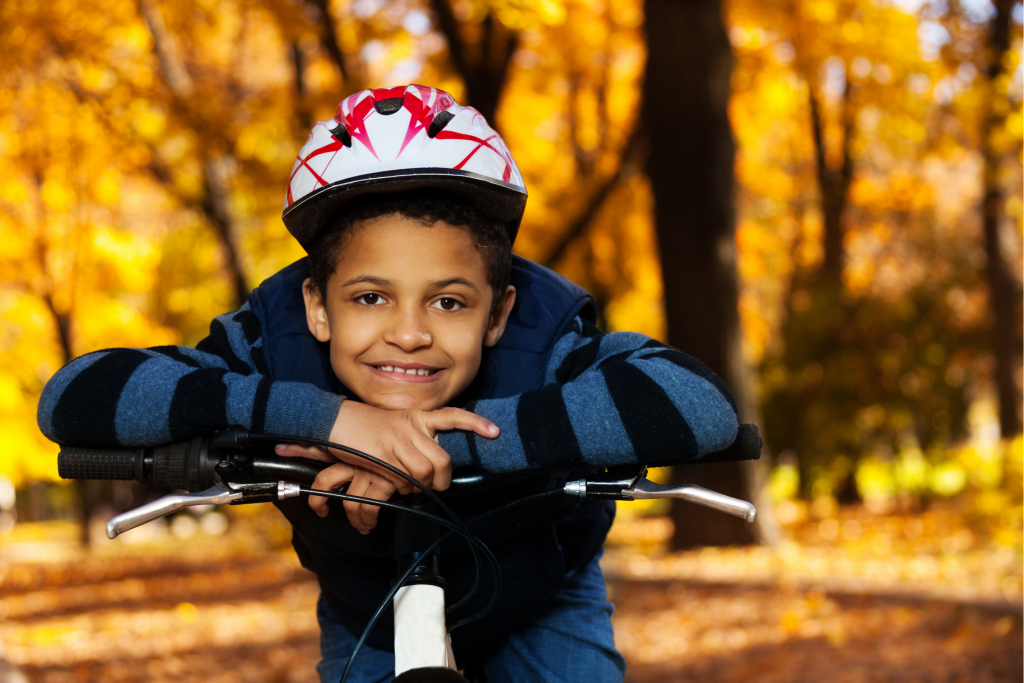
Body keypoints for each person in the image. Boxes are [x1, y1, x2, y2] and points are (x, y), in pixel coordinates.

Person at [37, 84, 739, 682]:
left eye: (451, 301)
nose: (409, 333)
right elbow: (70, 396)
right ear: (317, 305)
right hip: (369, 595)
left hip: (538, 588)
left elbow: (700, 404)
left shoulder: (546, 334)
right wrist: (327, 419)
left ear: (498, 312)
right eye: (370, 297)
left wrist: (442, 449)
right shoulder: (270, 339)